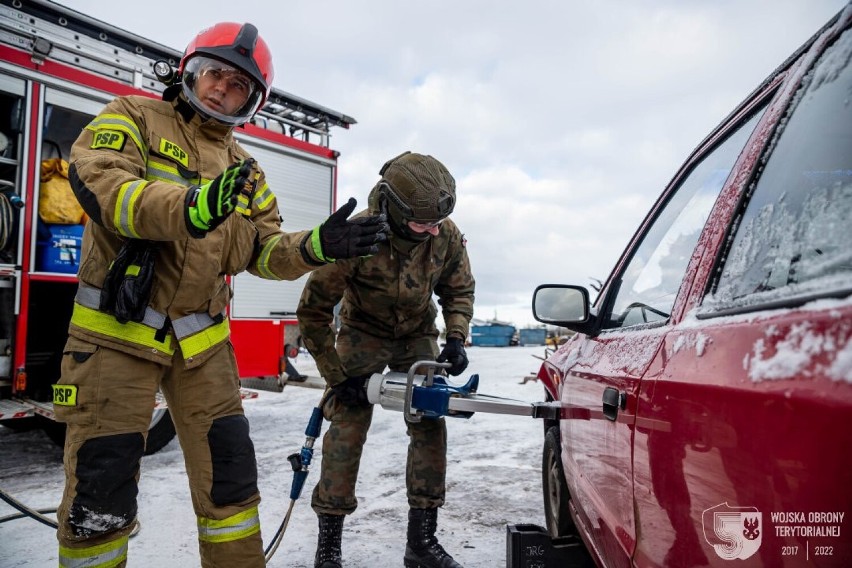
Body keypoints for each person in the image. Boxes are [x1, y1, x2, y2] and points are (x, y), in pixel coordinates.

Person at [54, 22, 387, 568]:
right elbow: (103, 186)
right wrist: (191, 207)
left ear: (251, 102)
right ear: (189, 70)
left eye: (238, 87)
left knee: (232, 488)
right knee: (101, 497)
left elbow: (262, 251)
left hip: (203, 350)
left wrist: (319, 245)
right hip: (115, 340)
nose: (221, 91)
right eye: (215, 75)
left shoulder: (244, 171)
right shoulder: (131, 116)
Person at [297, 151, 476, 568]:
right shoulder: (356, 237)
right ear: (394, 209)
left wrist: (455, 337)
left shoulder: (444, 233)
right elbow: (314, 311)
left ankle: (422, 543)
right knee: (347, 425)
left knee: (431, 421)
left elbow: (459, 289)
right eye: (421, 223)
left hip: (417, 334)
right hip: (363, 334)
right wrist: (336, 376)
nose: (431, 231)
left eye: (436, 223)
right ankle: (329, 548)